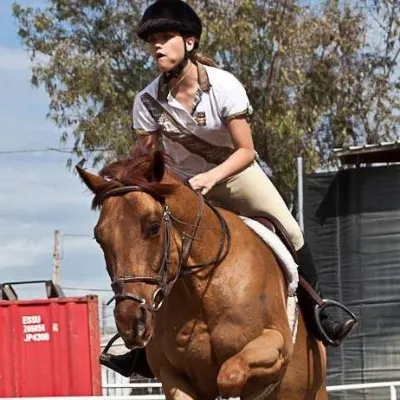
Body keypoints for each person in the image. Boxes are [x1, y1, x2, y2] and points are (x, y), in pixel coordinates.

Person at [100, 0, 357, 377]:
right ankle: (144, 349)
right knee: (153, 244)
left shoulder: (222, 85)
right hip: (184, 188)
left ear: (189, 42)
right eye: (152, 40)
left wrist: (211, 177)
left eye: (166, 38)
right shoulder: (146, 102)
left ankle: (319, 310)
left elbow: (246, 151)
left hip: (235, 175)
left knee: (292, 229)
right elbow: (147, 161)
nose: (156, 46)